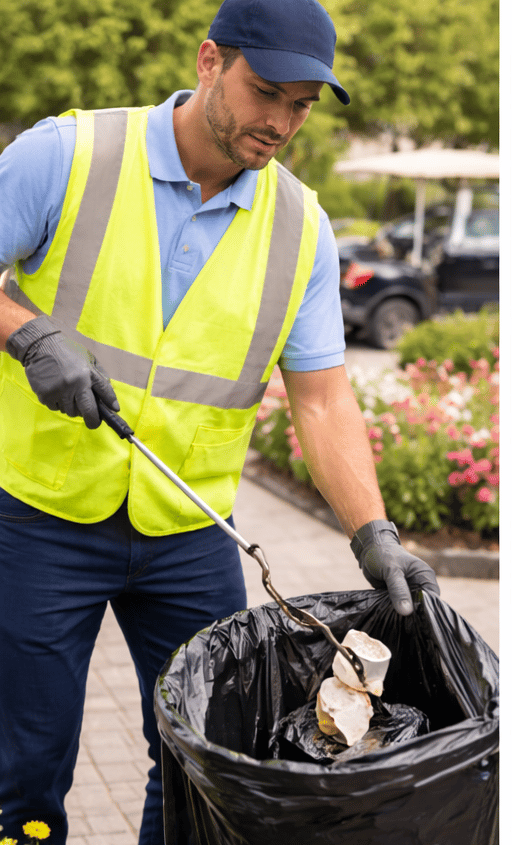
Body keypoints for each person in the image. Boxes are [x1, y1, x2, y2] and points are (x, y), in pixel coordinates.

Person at [0, 0, 440, 841]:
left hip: (192, 529)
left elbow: (321, 396)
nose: (280, 121)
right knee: (25, 767)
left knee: (203, 760)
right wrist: (26, 334)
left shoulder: (302, 227)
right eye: (265, 90)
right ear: (209, 61)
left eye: (303, 105)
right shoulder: (69, 154)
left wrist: (372, 530)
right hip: (39, 515)